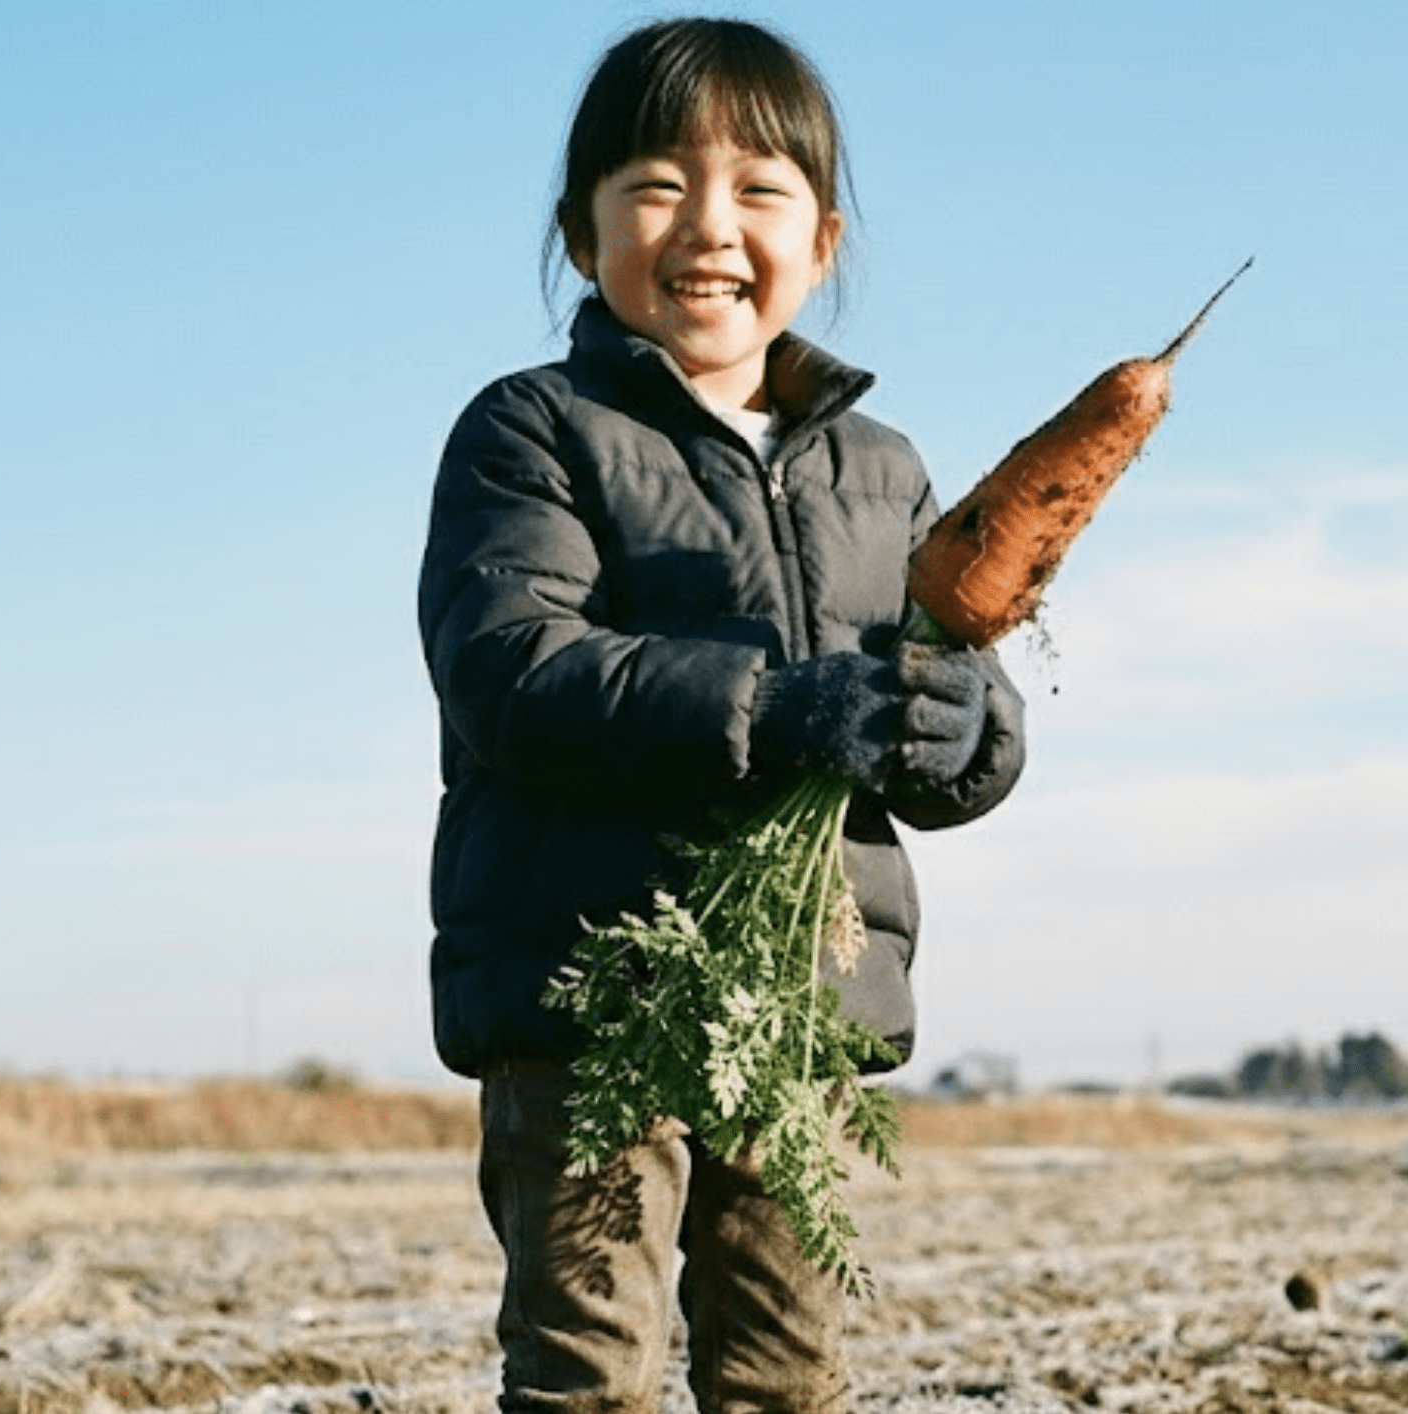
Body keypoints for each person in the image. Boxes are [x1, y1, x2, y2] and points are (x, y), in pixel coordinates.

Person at [417, 17, 1026, 1413]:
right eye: (653, 184)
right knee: (589, 1374)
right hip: (591, 992)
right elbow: (512, 671)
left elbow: (955, 675)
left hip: (799, 1008)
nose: (708, 224)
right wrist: (785, 705)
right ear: (581, 233)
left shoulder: (886, 470)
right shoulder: (533, 432)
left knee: (784, 1371)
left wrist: (965, 734)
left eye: (758, 189)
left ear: (823, 241)